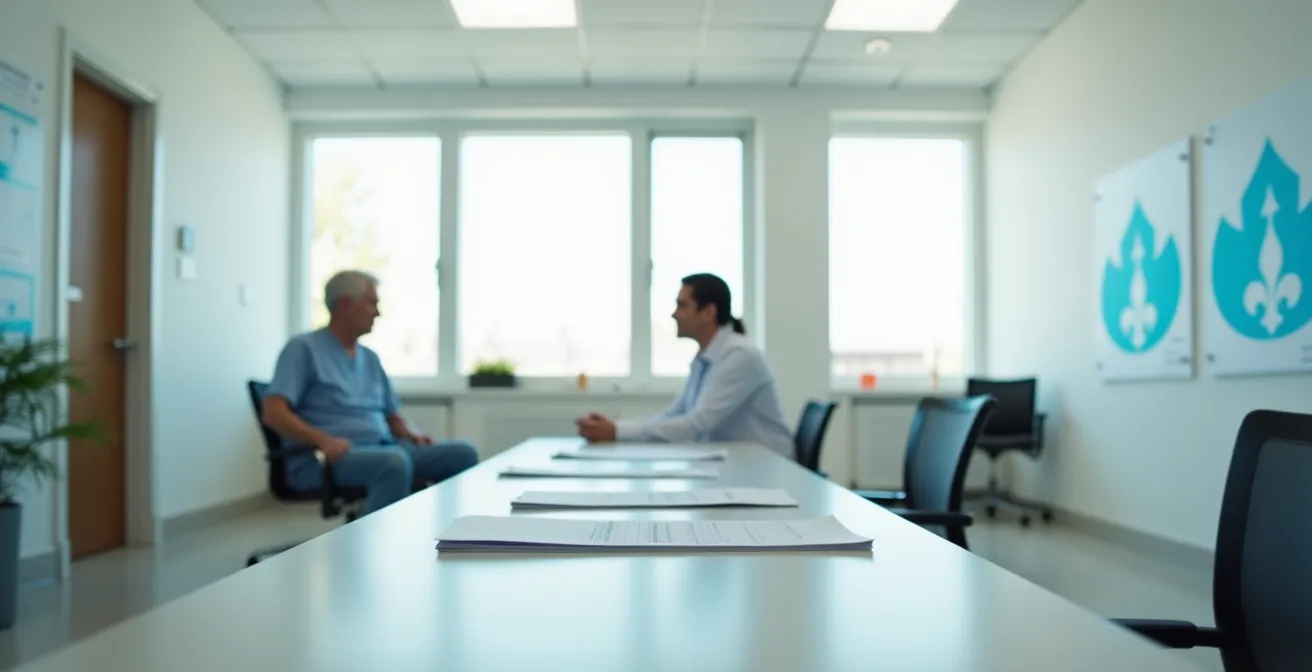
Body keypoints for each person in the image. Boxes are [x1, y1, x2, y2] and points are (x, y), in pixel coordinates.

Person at [262, 270, 479, 515]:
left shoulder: (371, 359)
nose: (378, 312)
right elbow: (274, 413)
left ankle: (446, 533)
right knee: (393, 462)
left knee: (462, 453)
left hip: (386, 448)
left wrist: (412, 434)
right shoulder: (302, 349)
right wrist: (323, 440)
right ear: (345, 304)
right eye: (372, 303)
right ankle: (379, 544)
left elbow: (392, 416)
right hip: (327, 459)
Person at [575, 273, 794, 456]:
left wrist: (616, 432)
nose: (674, 314)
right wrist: (616, 428)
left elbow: (697, 425)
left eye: (682, 305)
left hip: (769, 467)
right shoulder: (707, 356)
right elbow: (675, 415)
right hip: (739, 463)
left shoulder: (739, 355)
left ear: (709, 312)